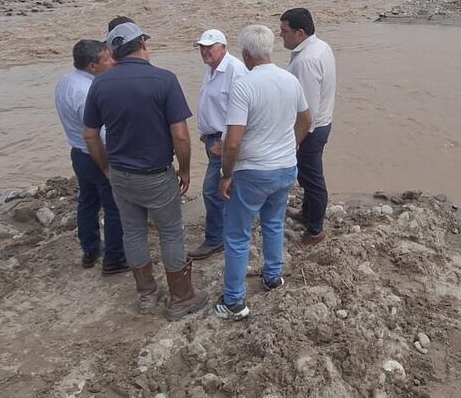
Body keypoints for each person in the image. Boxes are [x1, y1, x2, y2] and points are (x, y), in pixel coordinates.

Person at [82, 21, 209, 319]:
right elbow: (180, 135)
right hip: (156, 174)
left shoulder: (100, 84)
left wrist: (106, 167)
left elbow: (90, 135)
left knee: (134, 232)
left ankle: (147, 295)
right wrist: (185, 170)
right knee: (170, 233)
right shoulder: (164, 80)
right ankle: (181, 297)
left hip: (121, 175)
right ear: (142, 44)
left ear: (114, 52)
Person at [215, 25, 311, 320]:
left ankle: (234, 301)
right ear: (269, 49)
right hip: (285, 167)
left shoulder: (244, 85)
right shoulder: (290, 80)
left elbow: (233, 141)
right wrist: (291, 145)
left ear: (245, 54)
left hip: (253, 171)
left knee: (237, 235)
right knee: (273, 223)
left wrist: (226, 174)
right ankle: (272, 276)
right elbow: (306, 120)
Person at [54, 39, 128, 274]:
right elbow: (99, 134)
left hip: (78, 153)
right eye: (106, 59)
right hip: (95, 154)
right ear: (92, 65)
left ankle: (90, 250)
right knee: (114, 207)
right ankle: (114, 259)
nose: (112, 62)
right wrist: (107, 164)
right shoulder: (88, 92)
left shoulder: (66, 81)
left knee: (87, 202)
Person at [279, 7, 336, 248]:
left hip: (311, 130)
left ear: (300, 33)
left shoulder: (306, 61)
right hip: (321, 122)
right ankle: (307, 213)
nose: (281, 35)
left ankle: (315, 231)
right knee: (306, 175)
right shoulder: (320, 46)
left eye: (284, 31)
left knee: (312, 179)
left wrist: (294, 141)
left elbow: (306, 112)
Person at [188, 29, 248, 260]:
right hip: (213, 138)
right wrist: (206, 132)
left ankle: (216, 238)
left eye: (209, 47)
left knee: (211, 191)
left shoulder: (235, 70)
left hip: (225, 141)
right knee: (227, 187)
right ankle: (233, 228)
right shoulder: (212, 68)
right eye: (202, 47)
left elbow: (244, 112)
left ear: (223, 48)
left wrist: (224, 143)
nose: (204, 52)